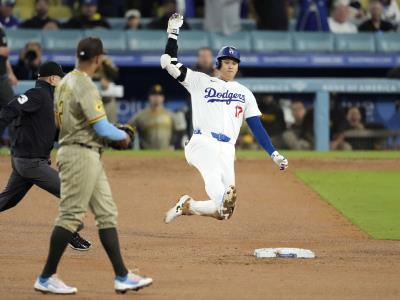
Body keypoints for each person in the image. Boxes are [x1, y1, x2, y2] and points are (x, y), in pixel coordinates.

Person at [34, 37, 153, 295]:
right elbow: (100, 126)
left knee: (106, 212)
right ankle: (46, 277)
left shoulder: (64, 83)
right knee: (71, 214)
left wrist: (104, 136)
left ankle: (122, 276)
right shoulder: (85, 85)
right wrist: (121, 136)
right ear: (98, 59)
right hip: (80, 155)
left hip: (84, 150)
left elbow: (62, 124)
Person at [161, 14, 288, 223]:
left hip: (228, 148)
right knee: (218, 189)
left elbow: (256, 127)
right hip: (202, 142)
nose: (230, 66)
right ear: (217, 64)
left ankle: (187, 205)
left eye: (234, 63)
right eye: (226, 62)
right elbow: (168, 62)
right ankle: (210, 200)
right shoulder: (200, 81)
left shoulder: (245, 93)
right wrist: (173, 33)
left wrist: (274, 154)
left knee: (225, 211)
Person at [0, 61, 91, 251]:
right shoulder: (38, 95)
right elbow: (10, 109)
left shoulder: (48, 100)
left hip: (25, 162)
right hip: (30, 163)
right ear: (52, 79)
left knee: (8, 200)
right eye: (60, 78)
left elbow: (50, 131)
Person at [128, 84, 176, 150]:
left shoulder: (170, 115)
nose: (157, 98)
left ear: (163, 97)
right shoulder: (140, 116)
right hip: (147, 154)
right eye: (154, 95)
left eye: (159, 95)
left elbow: (178, 132)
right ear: (149, 97)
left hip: (167, 153)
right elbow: (128, 130)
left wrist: (174, 145)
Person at [93, 56, 119, 123]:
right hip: (93, 99)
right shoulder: (90, 61)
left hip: (108, 99)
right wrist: (99, 80)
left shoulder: (107, 61)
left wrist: (105, 63)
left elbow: (115, 74)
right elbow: (84, 76)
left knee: (111, 124)